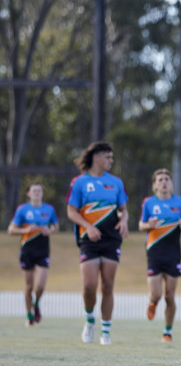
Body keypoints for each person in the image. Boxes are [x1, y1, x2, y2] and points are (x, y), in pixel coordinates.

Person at [66, 142, 129, 345]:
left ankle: (106, 332)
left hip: (111, 239)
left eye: (112, 157)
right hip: (89, 240)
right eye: (107, 157)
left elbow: (123, 208)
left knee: (108, 286)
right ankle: (90, 320)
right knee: (89, 286)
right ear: (96, 157)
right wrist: (88, 226)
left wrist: (124, 220)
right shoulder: (79, 182)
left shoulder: (116, 182)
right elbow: (71, 211)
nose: (111, 161)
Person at [139, 168, 181, 343]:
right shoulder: (148, 203)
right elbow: (141, 225)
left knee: (170, 296)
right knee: (156, 294)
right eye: (160, 180)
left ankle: (167, 332)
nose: (164, 182)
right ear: (155, 185)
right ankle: (153, 303)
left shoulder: (180, 202)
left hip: (173, 254)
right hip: (154, 253)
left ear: (171, 184)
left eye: (167, 179)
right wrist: (149, 225)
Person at [8, 182, 59, 327]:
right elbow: (11, 229)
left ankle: (36, 304)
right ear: (28, 194)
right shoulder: (22, 210)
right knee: (29, 286)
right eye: (34, 191)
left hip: (43, 250)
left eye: (39, 191)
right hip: (27, 250)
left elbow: (56, 226)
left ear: (42, 193)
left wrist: (50, 231)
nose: (37, 193)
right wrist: (26, 230)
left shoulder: (49, 209)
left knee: (41, 285)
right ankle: (29, 314)